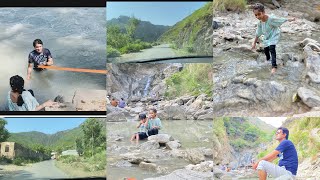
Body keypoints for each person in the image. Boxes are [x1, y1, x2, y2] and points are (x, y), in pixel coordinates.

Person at [251, 3, 295, 74]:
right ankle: (268, 60)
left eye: (259, 14)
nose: (257, 16)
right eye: (255, 15)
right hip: (267, 37)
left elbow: (279, 19)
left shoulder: (270, 19)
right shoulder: (260, 23)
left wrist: (290, 19)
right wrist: (254, 43)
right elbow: (257, 34)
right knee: (266, 50)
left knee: (272, 48)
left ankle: (274, 66)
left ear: (264, 12)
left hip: (274, 35)